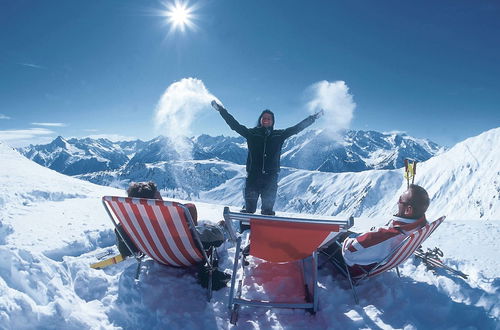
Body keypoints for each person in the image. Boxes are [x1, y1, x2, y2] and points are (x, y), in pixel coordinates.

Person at [211, 100, 323, 215]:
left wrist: (313, 118)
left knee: (267, 212)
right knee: (248, 211)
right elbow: (234, 125)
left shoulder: (279, 135)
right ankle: (244, 231)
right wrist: (221, 110)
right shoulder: (251, 134)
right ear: (260, 120)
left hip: (270, 180)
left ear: (273, 121)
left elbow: (297, 128)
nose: (266, 120)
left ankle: (264, 231)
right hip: (253, 178)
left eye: (269, 118)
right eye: (264, 118)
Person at [325, 184, 431, 278]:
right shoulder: (418, 226)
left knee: (328, 237)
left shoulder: (388, 235)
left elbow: (349, 252)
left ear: (408, 210)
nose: (397, 202)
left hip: (354, 268)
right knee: (344, 233)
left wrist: (348, 238)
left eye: (400, 200)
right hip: (375, 255)